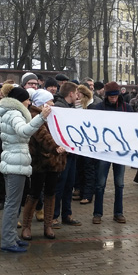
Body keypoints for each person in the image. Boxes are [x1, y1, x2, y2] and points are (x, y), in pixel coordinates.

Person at [0, 86, 51, 252]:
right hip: (15, 164)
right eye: (27, 99)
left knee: (12, 203)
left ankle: (12, 236)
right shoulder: (14, 113)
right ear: (21, 101)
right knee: (13, 205)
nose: (29, 102)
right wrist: (41, 117)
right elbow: (23, 132)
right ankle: (8, 241)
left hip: (13, 162)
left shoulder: (8, 112)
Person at [20, 89, 65, 240]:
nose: (53, 103)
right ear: (42, 103)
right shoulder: (34, 115)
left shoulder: (54, 115)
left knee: (51, 193)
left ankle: (48, 226)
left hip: (54, 161)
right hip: (40, 161)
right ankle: (26, 226)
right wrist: (56, 147)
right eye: (50, 101)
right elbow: (42, 135)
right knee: (34, 193)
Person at [91, 82, 132, 224]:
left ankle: (118, 212)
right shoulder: (99, 108)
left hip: (120, 151)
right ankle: (97, 213)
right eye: (111, 96)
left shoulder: (127, 108)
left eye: (115, 96)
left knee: (120, 184)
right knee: (100, 183)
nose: (113, 99)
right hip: (104, 150)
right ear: (106, 96)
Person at [52, 82, 82, 225]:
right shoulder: (59, 108)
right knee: (60, 185)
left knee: (69, 185)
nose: (77, 96)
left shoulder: (69, 108)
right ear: (71, 94)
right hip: (62, 154)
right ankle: (54, 215)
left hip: (71, 154)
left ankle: (67, 214)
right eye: (76, 93)